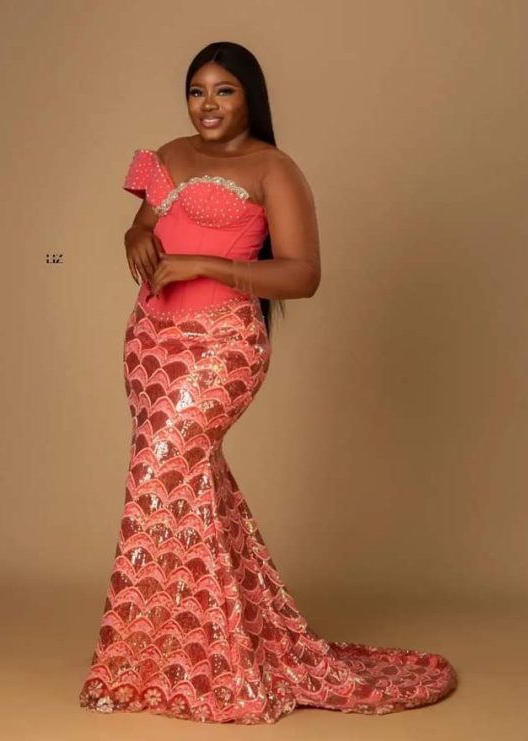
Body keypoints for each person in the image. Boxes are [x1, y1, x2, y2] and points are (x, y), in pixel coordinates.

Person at [78, 41, 458, 725]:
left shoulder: (274, 169)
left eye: (224, 91)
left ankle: (184, 661)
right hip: (151, 342)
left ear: (250, 96)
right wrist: (133, 237)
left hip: (222, 345)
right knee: (183, 486)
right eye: (197, 91)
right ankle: (181, 652)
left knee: (162, 475)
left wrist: (203, 264)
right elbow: (144, 224)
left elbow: (303, 274)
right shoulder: (167, 155)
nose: (208, 105)